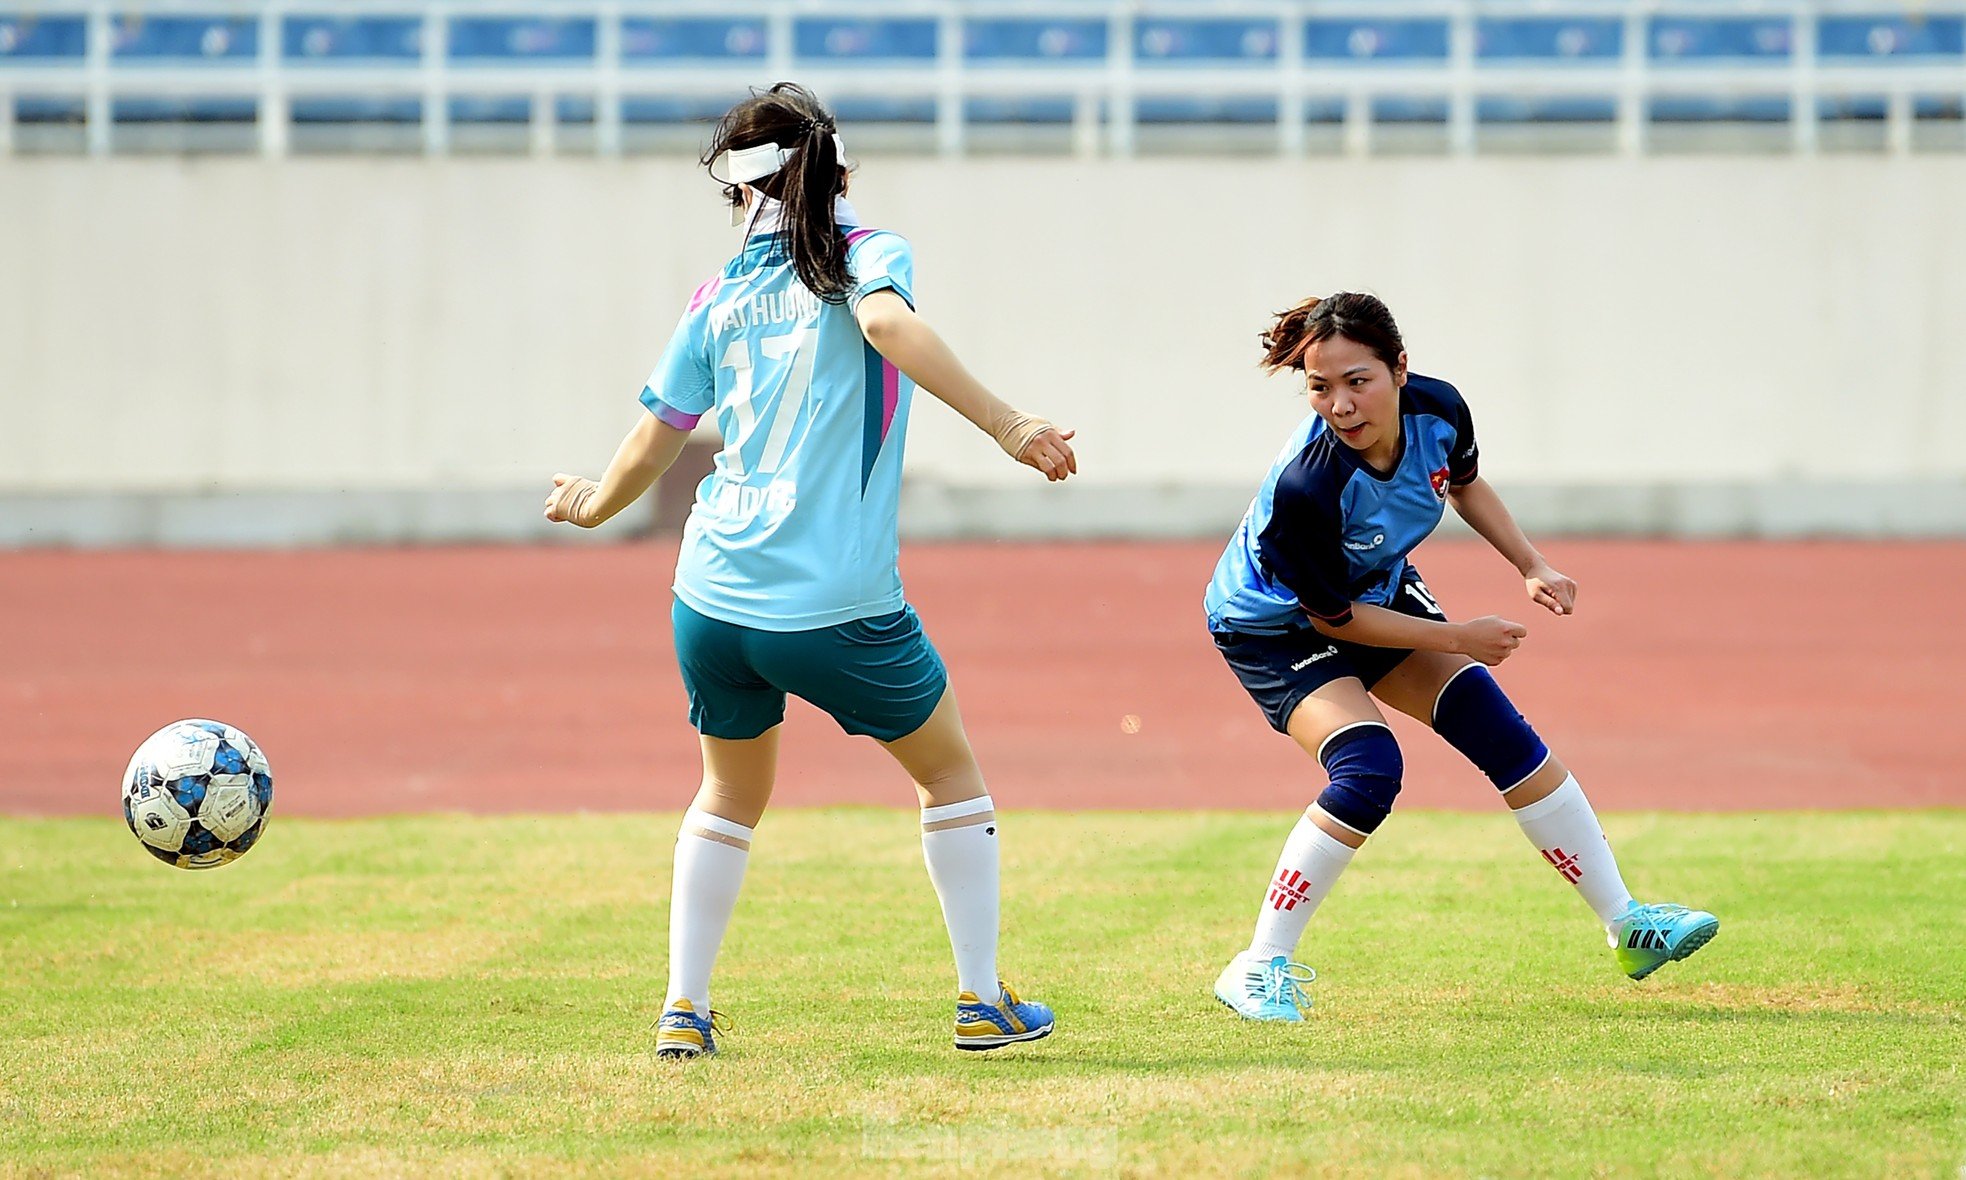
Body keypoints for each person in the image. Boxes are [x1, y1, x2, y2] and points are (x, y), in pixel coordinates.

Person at [544, 83, 1077, 1056]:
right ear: (831, 171)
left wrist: (591, 503)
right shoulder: (866, 254)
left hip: (707, 599)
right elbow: (883, 325)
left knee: (727, 796)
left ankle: (683, 1010)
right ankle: (980, 1000)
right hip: (835, 600)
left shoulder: (716, 295)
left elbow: (656, 437)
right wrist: (1009, 423)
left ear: (740, 192)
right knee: (950, 771)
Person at [1203, 292, 1718, 1021]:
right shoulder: (1309, 487)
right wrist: (1458, 638)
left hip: (1370, 589)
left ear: (1400, 369)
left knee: (1500, 733)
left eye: (1359, 381)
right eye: (1320, 387)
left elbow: (1466, 485)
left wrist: (1531, 563)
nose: (1341, 405)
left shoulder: (1439, 412)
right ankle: (1257, 965)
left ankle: (1629, 924)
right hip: (1273, 625)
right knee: (1368, 769)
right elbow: (1338, 621)